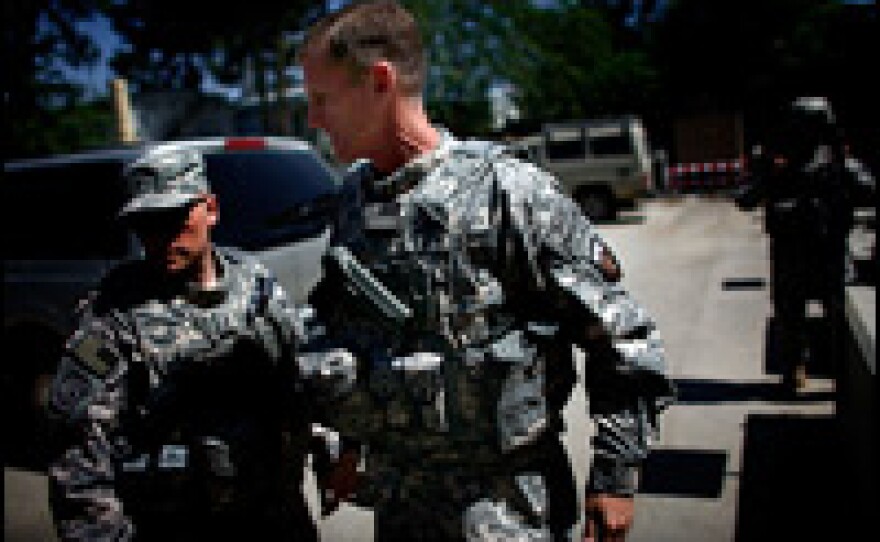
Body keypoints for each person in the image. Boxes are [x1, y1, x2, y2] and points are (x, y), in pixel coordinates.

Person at [296, 2, 675, 540]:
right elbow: (351, 334)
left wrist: (614, 477)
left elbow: (623, 339)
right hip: (403, 505)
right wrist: (346, 442)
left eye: (321, 99)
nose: (313, 119)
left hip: (506, 507)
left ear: (379, 82)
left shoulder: (507, 193)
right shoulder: (354, 202)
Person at [45, 144, 354, 541]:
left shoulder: (254, 285)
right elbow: (78, 451)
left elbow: (295, 381)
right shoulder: (113, 313)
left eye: (174, 219)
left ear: (211, 208)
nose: (161, 238)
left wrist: (328, 448)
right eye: (146, 225)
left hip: (275, 516)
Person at [735, 97, 874, 393]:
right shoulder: (777, 162)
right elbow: (745, 198)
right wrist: (768, 176)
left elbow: (866, 188)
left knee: (839, 320)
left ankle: (842, 378)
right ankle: (794, 371)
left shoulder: (836, 162)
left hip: (828, 251)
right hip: (790, 253)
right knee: (790, 318)